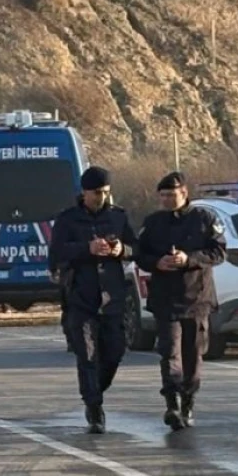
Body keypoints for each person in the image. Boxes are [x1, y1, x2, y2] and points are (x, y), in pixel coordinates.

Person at [136, 171, 227, 431]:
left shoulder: (204, 219)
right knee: (168, 352)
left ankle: (188, 400)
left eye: (171, 195)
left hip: (196, 298)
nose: (166, 199)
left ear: (184, 193)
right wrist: (157, 262)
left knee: (193, 354)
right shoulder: (153, 223)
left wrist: (189, 259)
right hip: (165, 299)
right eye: (162, 195)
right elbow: (139, 254)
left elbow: (219, 251)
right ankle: (172, 403)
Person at [49, 166, 137, 434]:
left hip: (112, 297)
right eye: (97, 193)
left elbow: (138, 249)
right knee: (87, 354)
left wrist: (123, 250)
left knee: (114, 352)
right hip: (81, 296)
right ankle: (94, 407)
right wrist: (85, 249)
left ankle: (94, 389)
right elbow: (55, 255)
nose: (102, 198)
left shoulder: (118, 217)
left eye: (106, 193)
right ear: (84, 192)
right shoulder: (68, 220)